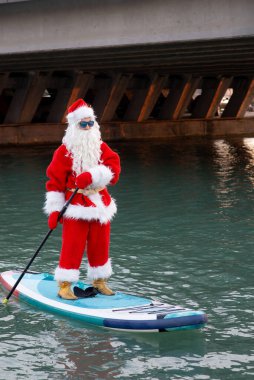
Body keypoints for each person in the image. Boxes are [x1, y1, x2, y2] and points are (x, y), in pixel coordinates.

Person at [44, 98, 121, 300]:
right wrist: (54, 210)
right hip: (75, 205)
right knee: (72, 245)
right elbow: (54, 182)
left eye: (90, 123)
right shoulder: (63, 152)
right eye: (83, 124)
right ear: (74, 126)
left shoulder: (101, 147)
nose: (87, 127)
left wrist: (95, 175)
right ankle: (65, 285)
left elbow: (114, 167)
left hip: (100, 202)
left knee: (100, 243)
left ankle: (100, 281)